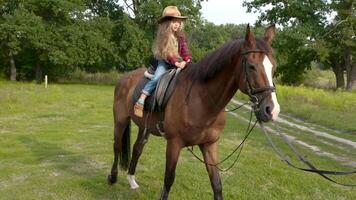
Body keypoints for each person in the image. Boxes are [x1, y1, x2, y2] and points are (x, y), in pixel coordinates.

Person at [134, 6, 192, 117]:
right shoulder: (164, 36)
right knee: (158, 77)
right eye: (173, 21)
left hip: (179, 62)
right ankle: (142, 98)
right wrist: (177, 63)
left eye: (178, 22)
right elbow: (168, 54)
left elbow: (185, 50)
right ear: (167, 23)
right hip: (165, 61)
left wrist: (187, 60)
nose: (176, 24)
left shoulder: (180, 36)